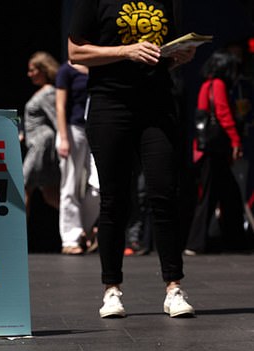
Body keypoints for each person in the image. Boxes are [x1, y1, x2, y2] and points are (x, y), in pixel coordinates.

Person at [68, 0, 197, 318]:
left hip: (157, 105)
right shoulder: (97, 2)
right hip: (110, 105)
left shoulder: (166, 2)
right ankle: (111, 290)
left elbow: (163, 53)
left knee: (164, 193)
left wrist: (178, 57)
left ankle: (173, 288)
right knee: (115, 199)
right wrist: (126, 51)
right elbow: (75, 53)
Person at [184, 50, 246, 255]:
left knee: (226, 194)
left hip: (209, 149)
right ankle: (197, 243)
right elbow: (223, 114)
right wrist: (236, 141)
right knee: (214, 195)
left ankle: (231, 240)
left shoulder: (207, 85)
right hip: (214, 149)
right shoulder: (218, 85)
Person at [55, 60, 100, 255]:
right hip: (73, 130)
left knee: (99, 185)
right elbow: (60, 106)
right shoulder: (67, 71)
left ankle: (85, 228)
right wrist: (64, 137)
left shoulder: (100, 68)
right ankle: (70, 238)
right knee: (70, 185)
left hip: (97, 129)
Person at [21, 51, 61, 216]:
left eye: (33, 70)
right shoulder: (43, 92)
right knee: (50, 194)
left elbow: (57, 119)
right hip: (37, 142)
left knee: (23, 186)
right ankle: (85, 230)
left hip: (42, 145)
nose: (29, 74)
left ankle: (19, 235)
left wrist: (64, 144)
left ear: (44, 70)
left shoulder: (48, 92)